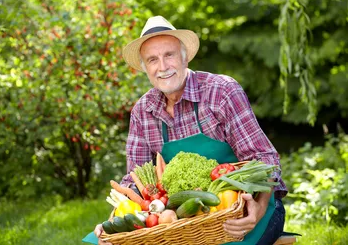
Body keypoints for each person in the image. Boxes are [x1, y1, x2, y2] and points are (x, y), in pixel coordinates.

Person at [94, 15, 287, 245]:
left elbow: (265, 159)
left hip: (240, 215)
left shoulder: (221, 92)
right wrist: (115, 221)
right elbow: (135, 180)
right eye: (153, 60)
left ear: (185, 57)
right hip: (186, 226)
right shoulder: (142, 111)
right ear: (145, 68)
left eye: (169, 55)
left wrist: (258, 208)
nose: (163, 67)